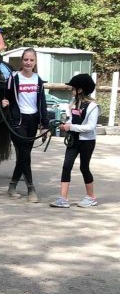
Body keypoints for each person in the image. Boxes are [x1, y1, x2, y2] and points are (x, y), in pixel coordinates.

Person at [1, 48, 49, 202]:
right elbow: (4, 96)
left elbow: (42, 104)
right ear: (21, 61)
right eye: (26, 60)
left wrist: (45, 125)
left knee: (24, 155)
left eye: (31, 60)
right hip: (17, 121)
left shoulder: (38, 80)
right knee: (25, 155)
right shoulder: (13, 78)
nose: (28, 63)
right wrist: (3, 102)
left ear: (35, 62)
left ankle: (12, 186)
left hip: (32, 121)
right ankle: (31, 189)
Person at [49, 73, 100, 208]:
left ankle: (91, 197)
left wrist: (71, 126)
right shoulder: (74, 104)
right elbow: (72, 120)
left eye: (73, 88)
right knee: (66, 166)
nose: (71, 90)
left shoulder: (93, 106)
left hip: (87, 141)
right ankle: (63, 199)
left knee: (84, 167)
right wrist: (65, 124)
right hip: (73, 140)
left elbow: (90, 127)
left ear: (80, 90)